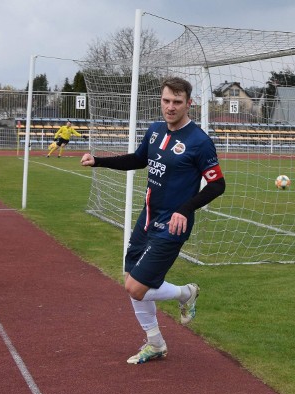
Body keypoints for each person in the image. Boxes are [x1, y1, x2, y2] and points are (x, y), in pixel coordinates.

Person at [81, 77, 226, 364]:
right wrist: (99, 161)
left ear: (189, 104)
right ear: (161, 101)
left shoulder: (199, 141)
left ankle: (186, 293)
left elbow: (217, 185)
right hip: (147, 219)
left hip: (173, 226)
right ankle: (156, 343)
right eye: (166, 101)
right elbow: (138, 159)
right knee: (131, 282)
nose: (170, 107)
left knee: (136, 287)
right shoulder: (155, 130)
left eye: (177, 102)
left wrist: (185, 210)